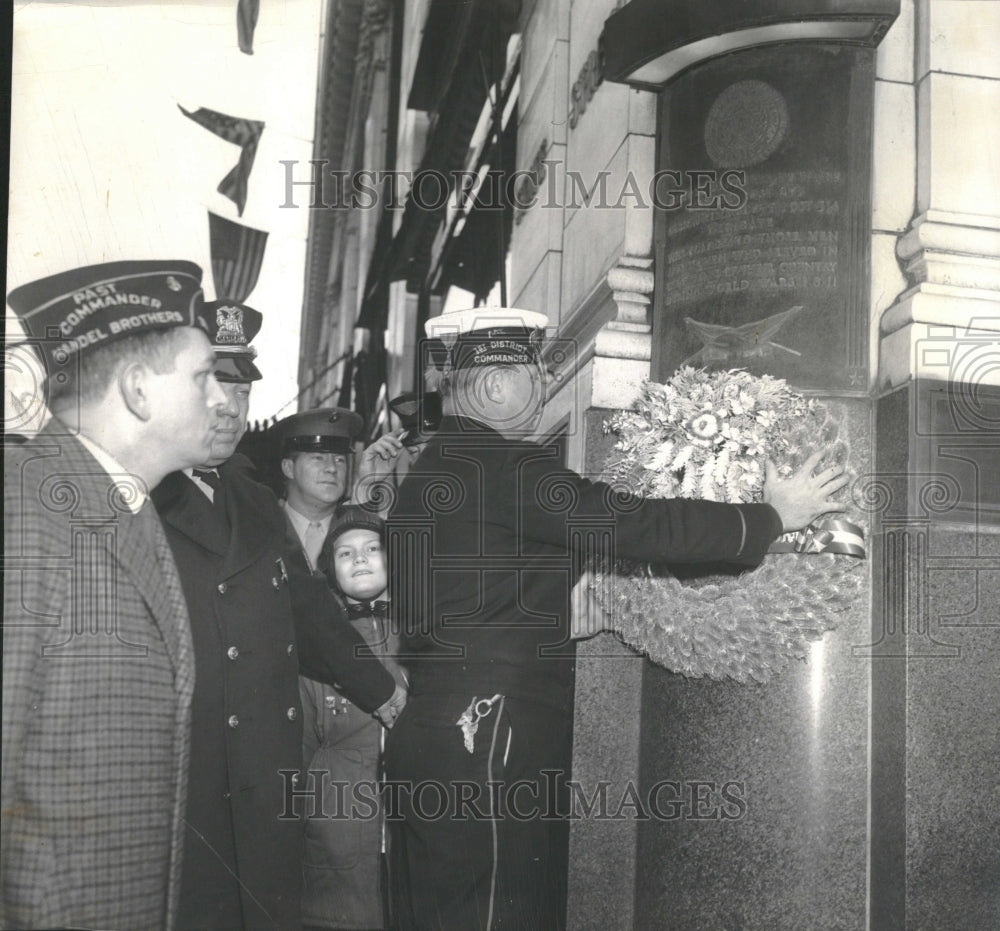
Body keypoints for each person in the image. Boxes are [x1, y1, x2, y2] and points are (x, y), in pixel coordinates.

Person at [384, 306, 851, 930]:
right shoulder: (501, 466)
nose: (548, 385)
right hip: (490, 734)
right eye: (538, 371)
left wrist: (549, 613)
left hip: (438, 727)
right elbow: (636, 524)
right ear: (496, 384)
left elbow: (473, 600)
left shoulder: (432, 473)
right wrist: (767, 518)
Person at [151, 300, 405, 930]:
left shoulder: (255, 500)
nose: (232, 407)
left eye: (241, 389)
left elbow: (312, 614)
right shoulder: (137, 491)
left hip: (266, 776)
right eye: (213, 384)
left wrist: (386, 694)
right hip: (184, 776)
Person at [2, 260, 225, 930]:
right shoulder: (24, 505)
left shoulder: (131, 507)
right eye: (203, 375)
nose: (221, 397)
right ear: (137, 389)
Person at [299, 506, 406, 931]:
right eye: (345, 553)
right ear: (331, 569)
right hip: (337, 840)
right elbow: (298, 752)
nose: (359, 559)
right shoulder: (319, 649)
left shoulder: (421, 634)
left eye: (372, 548)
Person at [270, 408, 406, 569]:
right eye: (318, 458)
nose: (332, 468)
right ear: (288, 468)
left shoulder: (373, 528)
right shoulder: (263, 527)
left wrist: (366, 482)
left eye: (339, 459)